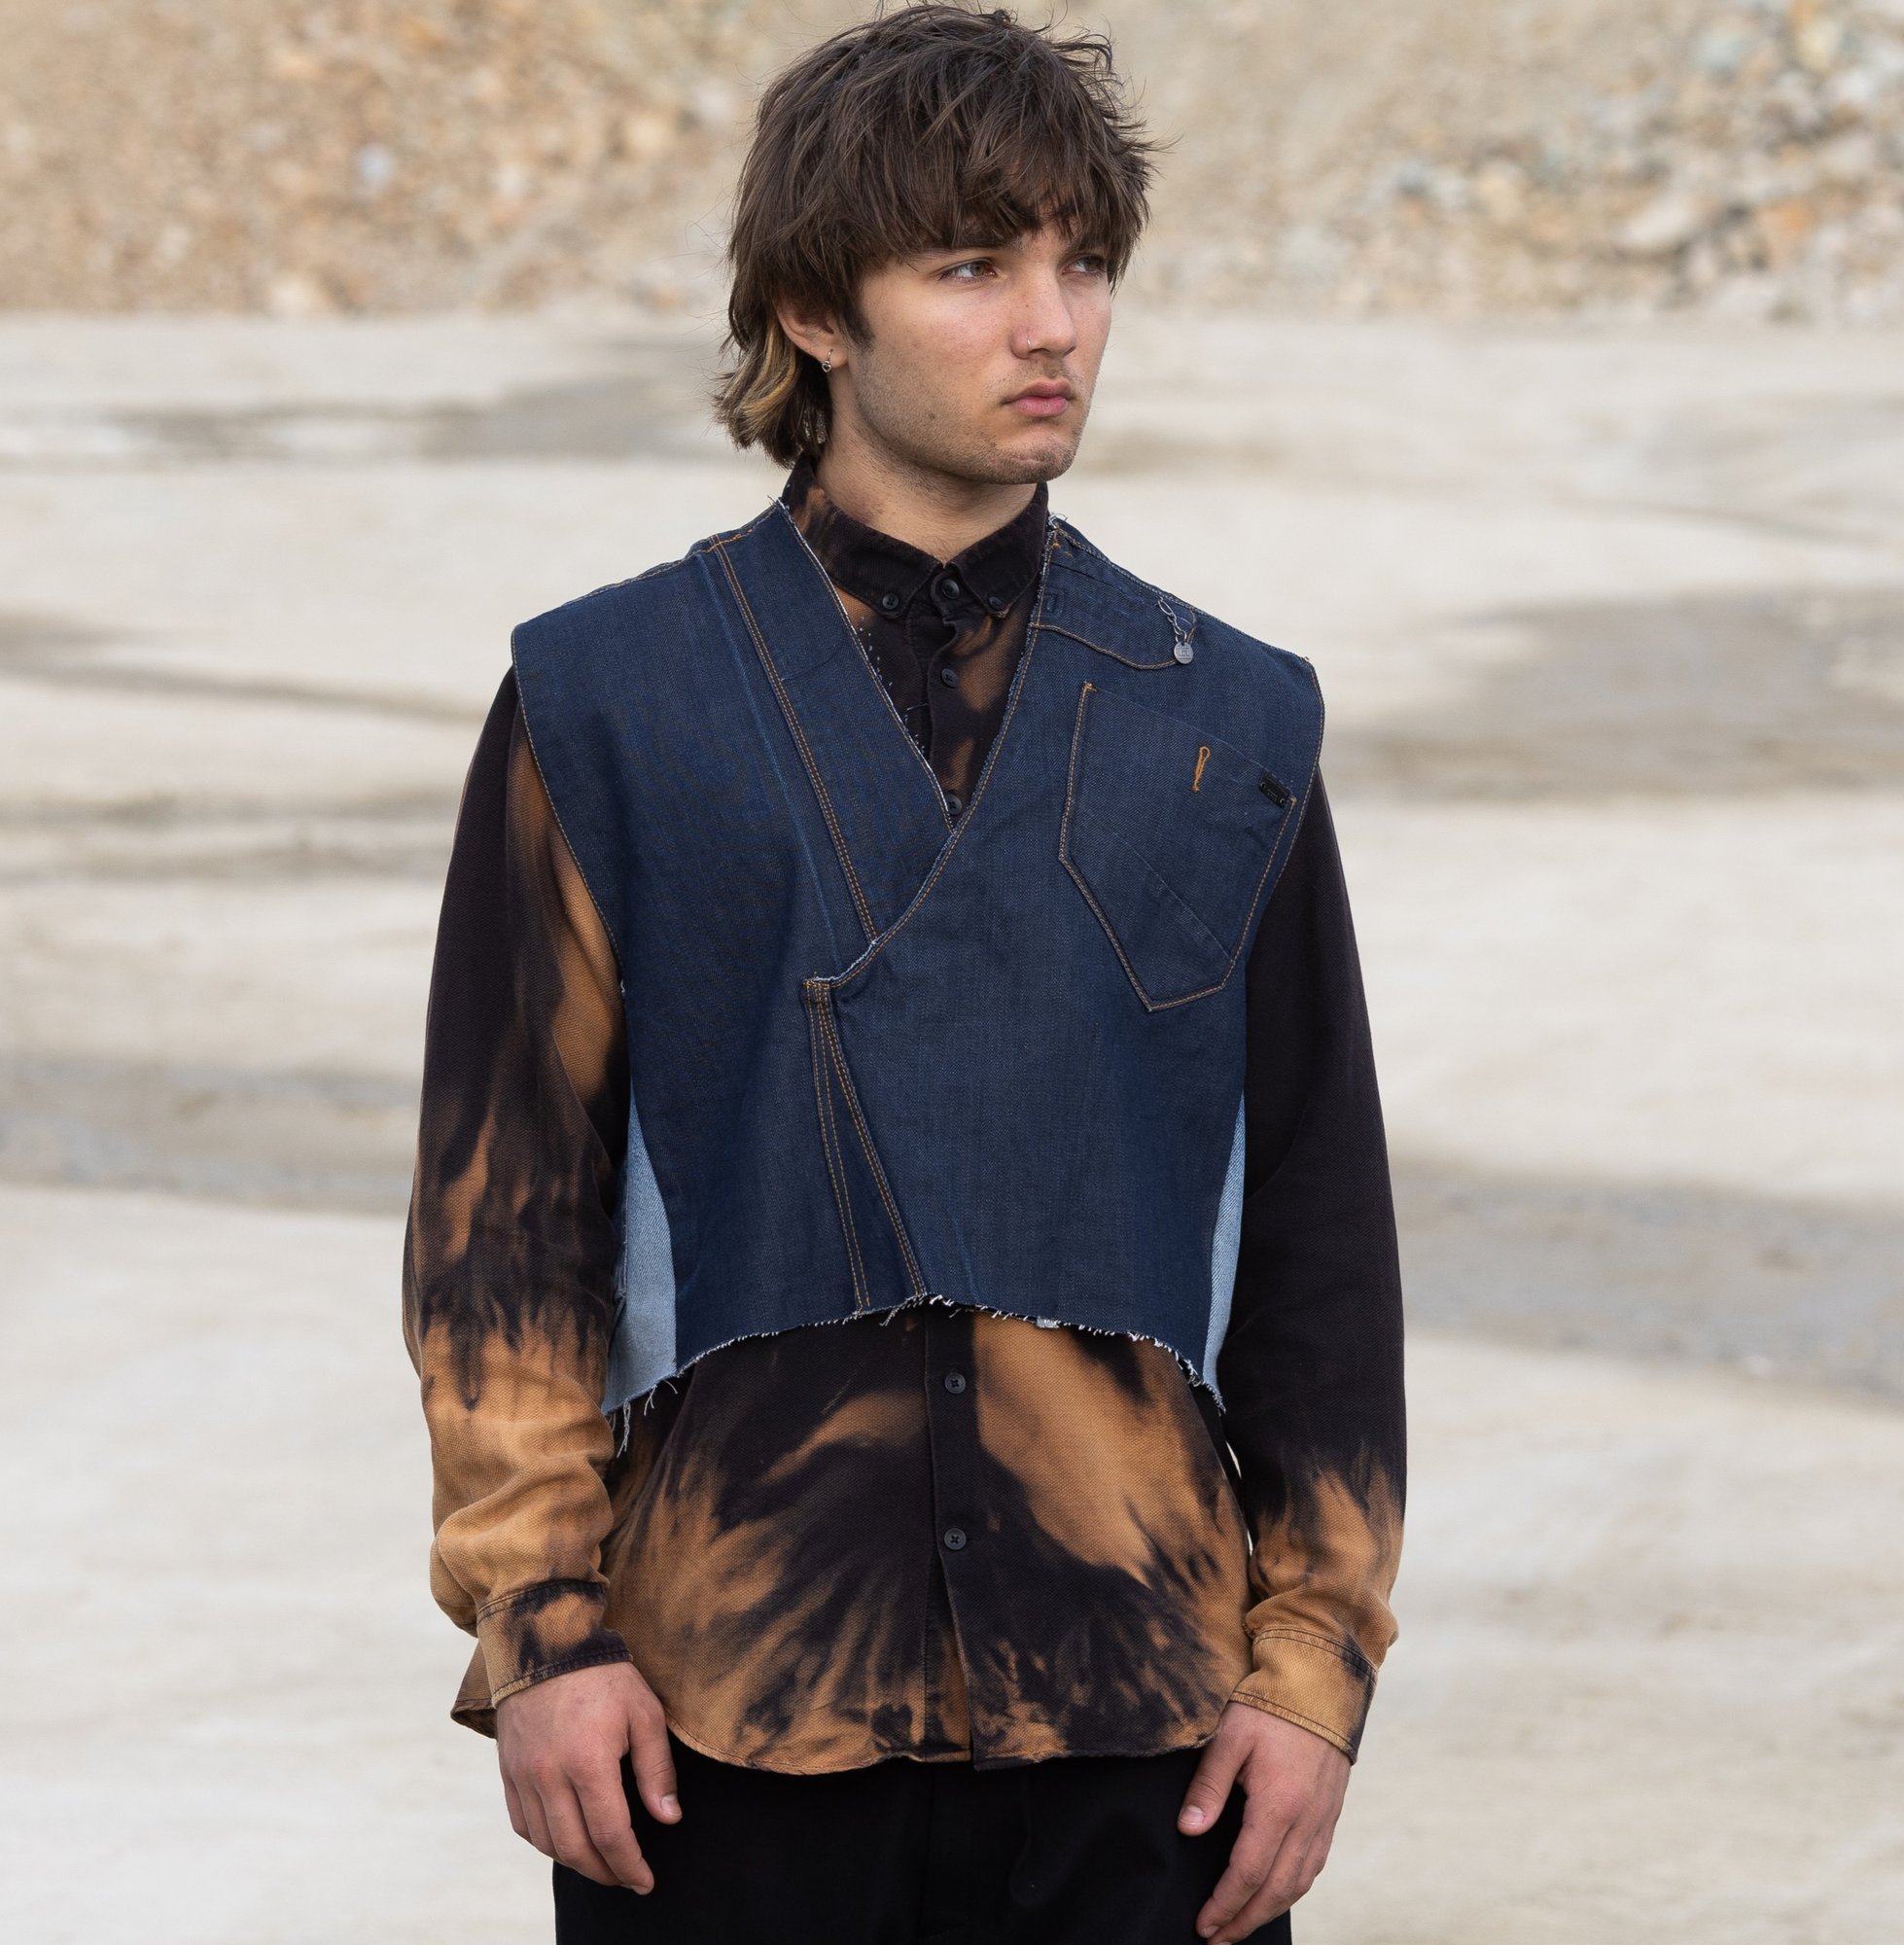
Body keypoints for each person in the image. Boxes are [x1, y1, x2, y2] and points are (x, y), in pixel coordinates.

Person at [402, 7, 1405, 1941]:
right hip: (718, 1711)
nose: (1053, 325)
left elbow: (1319, 1234)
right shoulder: (607, 702)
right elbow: (500, 1216)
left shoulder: (1229, 719)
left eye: (1083, 264)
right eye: (970, 268)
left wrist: (1315, 1665)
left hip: (1144, 1717)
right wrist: (540, 1628)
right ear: (814, 313)